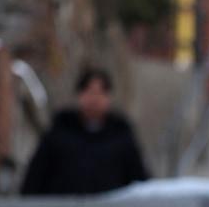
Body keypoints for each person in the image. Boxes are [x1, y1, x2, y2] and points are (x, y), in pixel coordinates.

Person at [21, 68, 150, 196]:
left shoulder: (121, 135)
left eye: (100, 92)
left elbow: (140, 182)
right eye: (89, 91)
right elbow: (35, 178)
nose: (94, 98)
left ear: (108, 97)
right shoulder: (59, 132)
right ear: (79, 95)